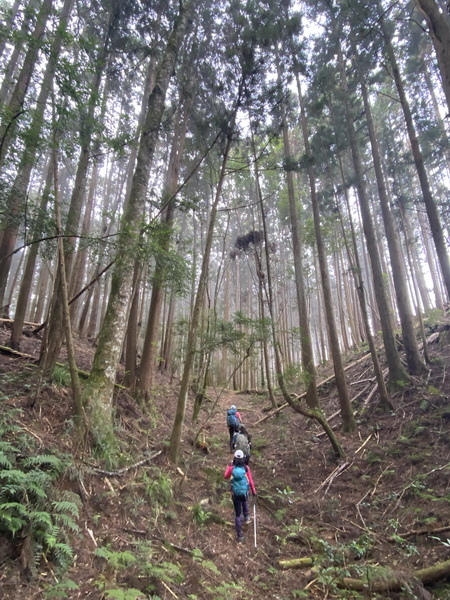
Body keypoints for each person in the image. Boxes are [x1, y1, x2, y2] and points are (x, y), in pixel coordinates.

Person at [224, 449, 256, 542]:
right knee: (244, 500)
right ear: (243, 458)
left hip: (235, 493)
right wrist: (253, 491)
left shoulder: (232, 468)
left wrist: (228, 467)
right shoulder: (246, 468)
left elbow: (225, 476)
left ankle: (240, 535)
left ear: (234, 457)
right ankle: (246, 517)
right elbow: (250, 480)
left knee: (238, 514)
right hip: (244, 493)